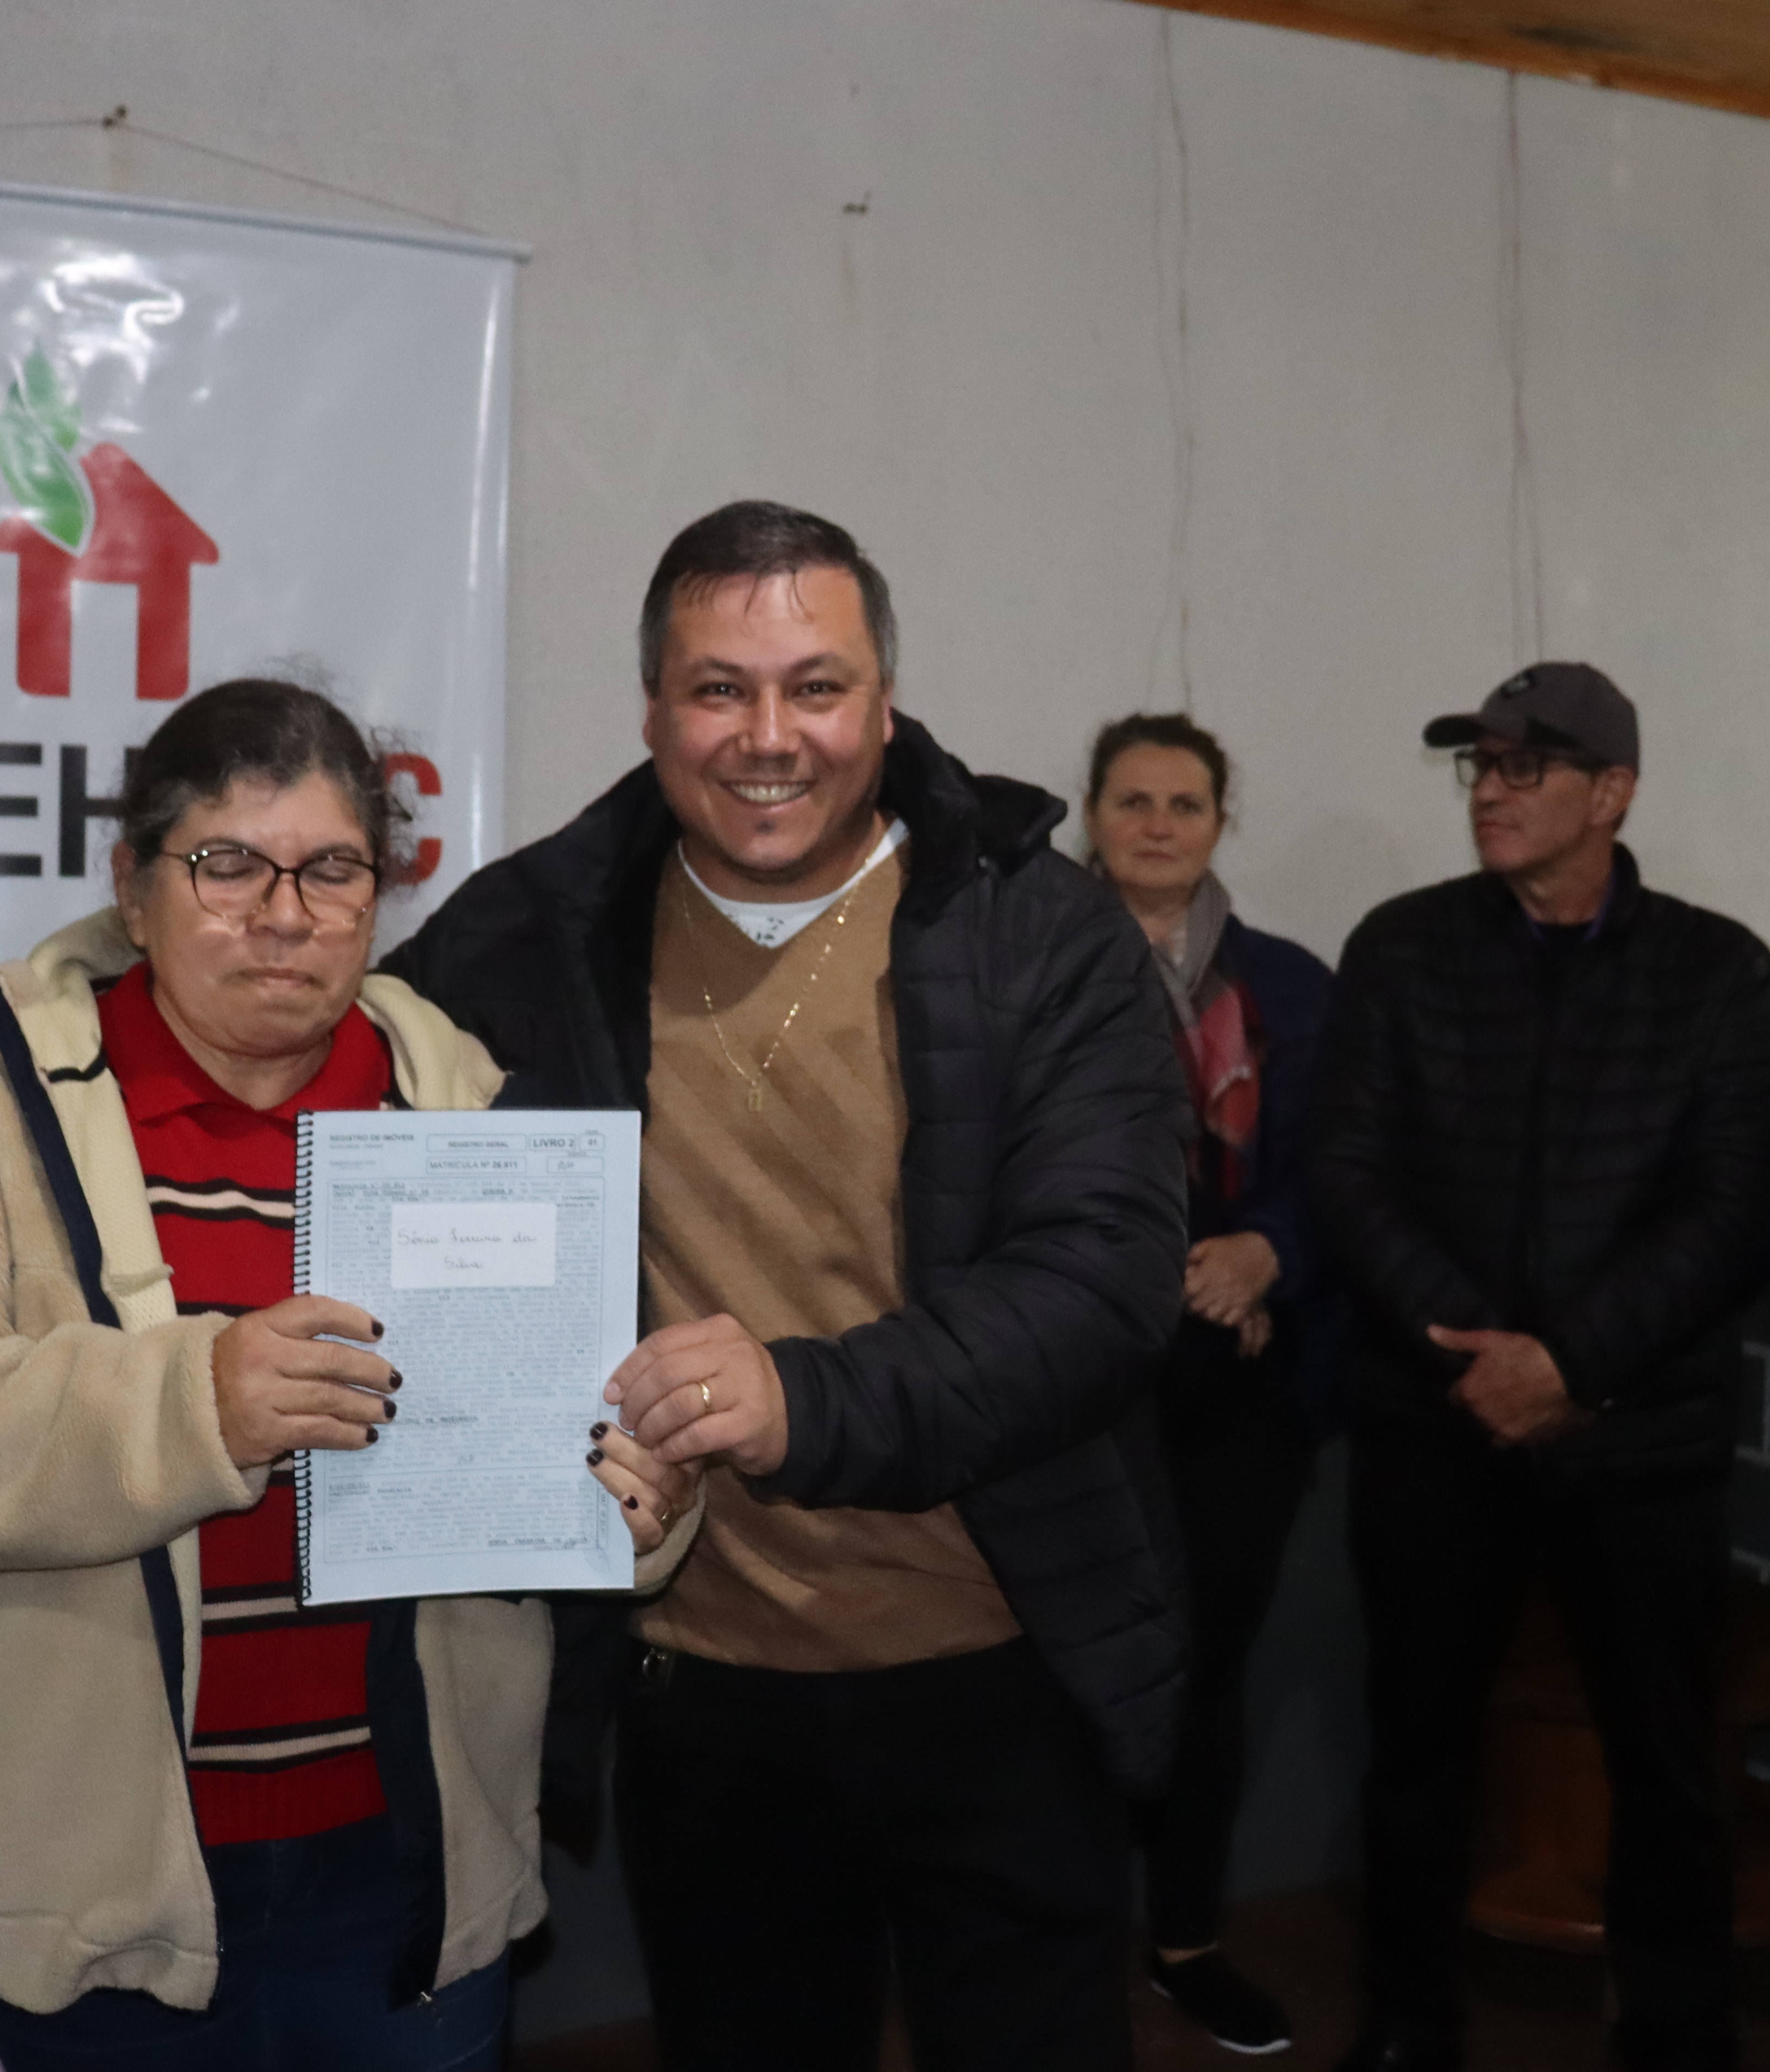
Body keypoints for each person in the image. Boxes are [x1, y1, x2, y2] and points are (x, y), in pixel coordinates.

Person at [0, 679, 698, 2071]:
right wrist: (192, 1404)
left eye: (332, 869)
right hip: (103, 1895)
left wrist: (639, 1496)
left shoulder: (470, 1106)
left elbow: (577, 1436)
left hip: (408, 1871)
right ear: (133, 887)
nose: (284, 914)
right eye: (227, 865)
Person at [382, 501, 1192, 2071]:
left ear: (883, 704)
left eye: (816, 687)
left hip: (999, 1679)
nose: (769, 738)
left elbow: (1102, 1285)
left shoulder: (1039, 931)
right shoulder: (524, 938)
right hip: (702, 1701)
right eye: (719, 689)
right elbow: (383, 1198)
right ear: (652, 710)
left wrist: (799, 1400)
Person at [1312, 663, 1770, 2072]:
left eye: (1527, 768)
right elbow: (1351, 1170)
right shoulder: (1402, 948)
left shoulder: (1719, 970)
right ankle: (1408, 2026)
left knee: (1666, 1760)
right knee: (1418, 1750)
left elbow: (1734, 1206)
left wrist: (1572, 1362)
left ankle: (1679, 2032)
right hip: (1436, 1426)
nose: (1493, 792)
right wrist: (1480, 1356)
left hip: (1639, 1438)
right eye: (1482, 766)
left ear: (1613, 793)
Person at [1083, 712, 1336, 2058]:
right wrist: (1165, 1266)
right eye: (1134, 800)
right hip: (1084, 1383)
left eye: (1186, 803)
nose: (1160, 825)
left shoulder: (1291, 985)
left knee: (1207, 1668)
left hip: (1245, 1374)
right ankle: (1062, 1939)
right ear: (1093, 817)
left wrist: (1264, 1253)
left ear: (1221, 824)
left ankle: (1186, 1942)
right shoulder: (1035, 968)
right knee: (1074, 1659)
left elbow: (1342, 1161)